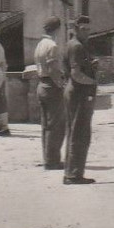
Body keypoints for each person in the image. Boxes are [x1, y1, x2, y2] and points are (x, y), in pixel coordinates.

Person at [63, 17, 100, 185]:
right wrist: (93, 82)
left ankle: (71, 173)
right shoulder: (77, 46)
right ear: (76, 29)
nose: (87, 32)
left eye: (89, 29)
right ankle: (74, 175)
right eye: (84, 29)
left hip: (76, 91)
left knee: (75, 132)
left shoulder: (74, 44)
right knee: (80, 133)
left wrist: (92, 64)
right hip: (80, 92)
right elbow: (76, 74)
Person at [34, 17, 66, 171]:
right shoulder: (52, 45)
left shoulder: (40, 44)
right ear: (57, 29)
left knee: (46, 125)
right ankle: (53, 161)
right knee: (56, 125)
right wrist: (61, 84)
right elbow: (53, 68)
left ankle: (48, 158)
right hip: (52, 86)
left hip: (41, 85)